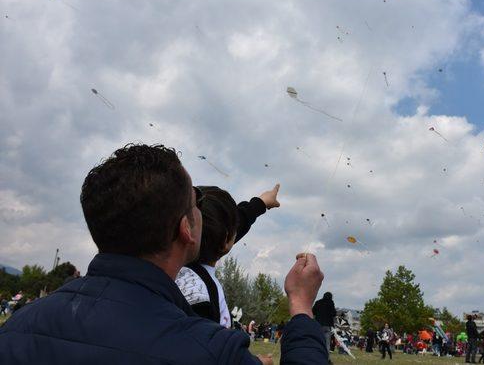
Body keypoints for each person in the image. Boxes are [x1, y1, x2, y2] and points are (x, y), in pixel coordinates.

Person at [0, 144, 327, 364]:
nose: (202, 210)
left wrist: (259, 204)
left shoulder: (18, 329)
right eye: (195, 202)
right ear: (187, 229)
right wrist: (300, 307)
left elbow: (224, 229)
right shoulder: (211, 350)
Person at [175, 184, 280, 327]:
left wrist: (260, 203)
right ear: (225, 240)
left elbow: (236, 223)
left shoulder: (173, 267)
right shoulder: (200, 297)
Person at [312, 292, 337, 363]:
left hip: (318, 325)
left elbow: (313, 312)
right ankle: (326, 359)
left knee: (317, 341)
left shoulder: (318, 302)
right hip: (327, 325)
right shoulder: (331, 303)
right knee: (327, 343)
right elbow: (334, 313)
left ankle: (315, 356)